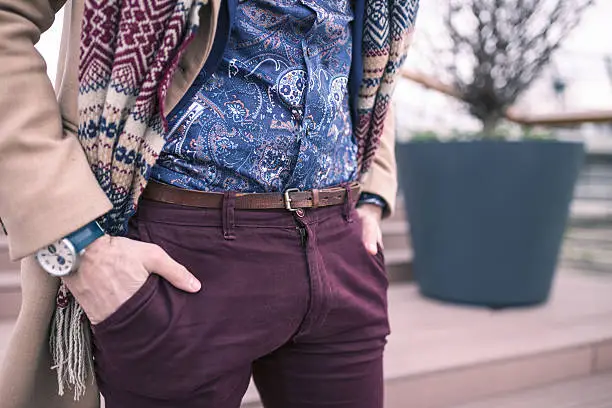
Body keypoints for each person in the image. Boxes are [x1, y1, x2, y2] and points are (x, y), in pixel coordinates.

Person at [0, 0, 418, 407]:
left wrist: (374, 194)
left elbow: (373, 65)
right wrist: (80, 246)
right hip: (178, 255)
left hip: (339, 243)